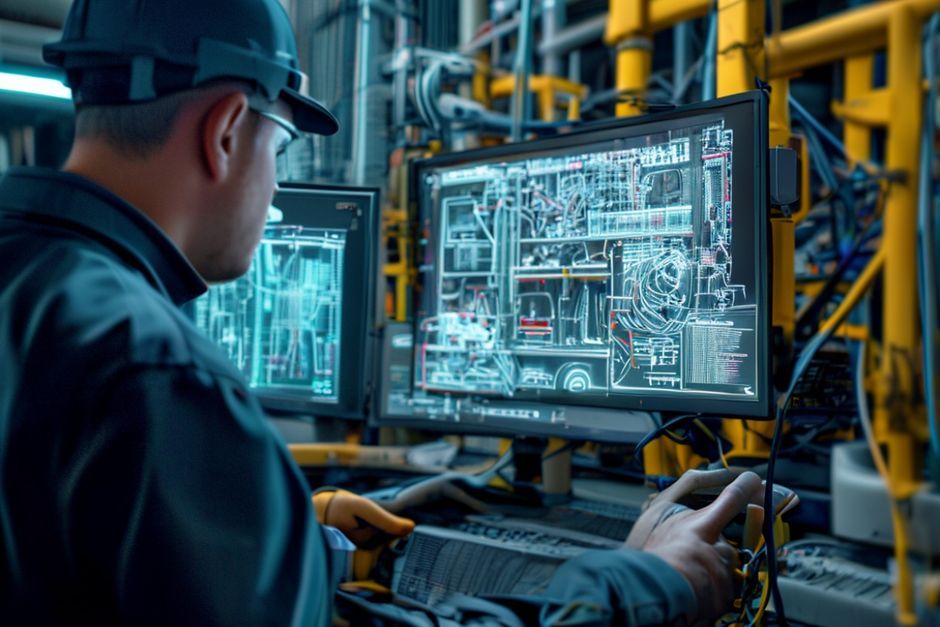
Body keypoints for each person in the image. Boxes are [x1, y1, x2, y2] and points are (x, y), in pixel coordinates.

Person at [0, 0, 760, 624]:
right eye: (284, 145)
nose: (272, 185)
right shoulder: (159, 376)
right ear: (227, 129)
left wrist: (299, 537)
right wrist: (642, 582)